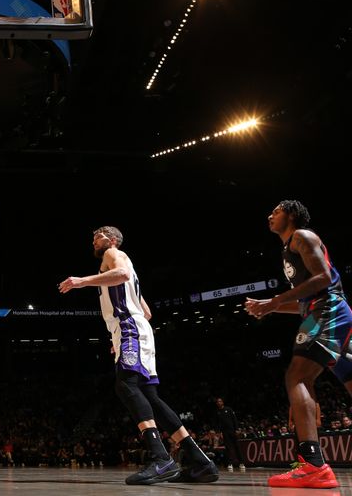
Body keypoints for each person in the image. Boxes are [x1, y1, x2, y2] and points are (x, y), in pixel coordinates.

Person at [59, 226, 219, 485]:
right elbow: (146, 311)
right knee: (151, 397)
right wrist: (122, 339)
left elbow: (121, 274)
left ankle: (160, 457)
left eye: (97, 236)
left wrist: (82, 281)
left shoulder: (113, 254)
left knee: (125, 385)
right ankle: (200, 461)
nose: (93, 241)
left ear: (111, 239)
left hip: (129, 328)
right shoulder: (124, 266)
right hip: (133, 330)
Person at [245, 200, 350, 489]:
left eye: (276, 211)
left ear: (291, 215)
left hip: (328, 310)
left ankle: (313, 465)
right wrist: (270, 307)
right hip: (330, 310)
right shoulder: (288, 248)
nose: (270, 215)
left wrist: (276, 300)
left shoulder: (302, 236)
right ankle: (313, 465)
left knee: (297, 376)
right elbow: (304, 300)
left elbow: (323, 279)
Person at [214, 398, 245, 472]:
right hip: (225, 433)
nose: (219, 402)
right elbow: (216, 424)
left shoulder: (228, 409)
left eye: (220, 401)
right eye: (217, 402)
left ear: (222, 402)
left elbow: (234, 419)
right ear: (216, 403)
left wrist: (237, 429)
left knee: (237, 446)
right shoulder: (217, 412)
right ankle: (230, 464)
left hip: (233, 431)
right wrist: (219, 432)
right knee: (228, 448)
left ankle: (241, 463)